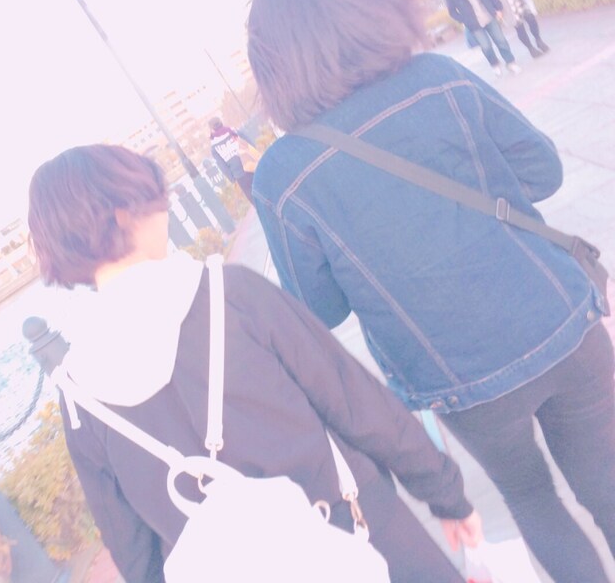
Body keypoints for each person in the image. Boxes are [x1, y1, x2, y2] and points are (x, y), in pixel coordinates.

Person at [247, 0, 614, 583]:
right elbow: (544, 171)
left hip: (457, 377)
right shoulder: (436, 78)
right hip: (557, 316)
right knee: (606, 478)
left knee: (532, 500)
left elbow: (319, 309)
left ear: (273, 66)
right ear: (360, 12)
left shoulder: (283, 173)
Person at [27, 144, 482, 583]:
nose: (165, 208)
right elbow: (355, 402)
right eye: (153, 198)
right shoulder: (231, 294)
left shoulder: (78, 393)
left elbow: (132, 548)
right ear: (123, 214)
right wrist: (445, 494)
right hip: (360, 536)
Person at [443, 0, 521, 77]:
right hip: (473, 22)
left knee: (501, 40)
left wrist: (497, 7)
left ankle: (510, 62)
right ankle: (495, 64)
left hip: (488, 14)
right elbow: (452, 11)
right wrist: (464, 20)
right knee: (486, 46)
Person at [209, 116, 254, 203]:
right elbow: (249, 142)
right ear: (221, 123)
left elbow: (222, 166)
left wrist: (232, 179)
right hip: (251, 165)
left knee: (251, 196)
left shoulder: (214, 147)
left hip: (239, 175)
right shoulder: (233, 131)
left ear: (212, 129)